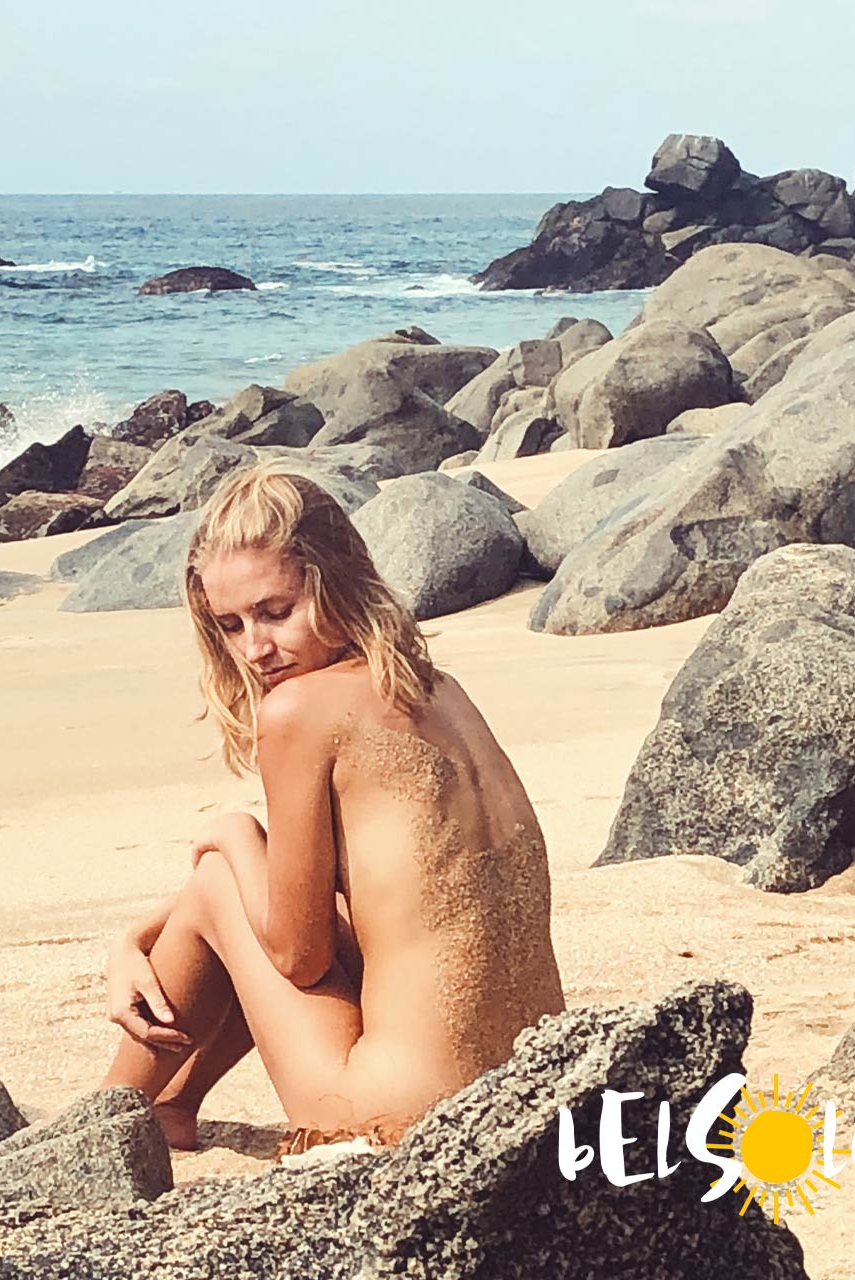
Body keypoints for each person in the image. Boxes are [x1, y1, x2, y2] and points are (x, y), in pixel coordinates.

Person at [101, 462, 564, 1157]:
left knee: (222, 874)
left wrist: (232, 836)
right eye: (230, 625)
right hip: (528, 1089)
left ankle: (102, 1123)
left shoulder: (297, 711)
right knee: (254, 884)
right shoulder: (442, 690)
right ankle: (171, 1107)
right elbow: (337, 902)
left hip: (394, 1113)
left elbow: (298, 953)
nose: (255, 648)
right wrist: (137, 936)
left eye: (276, 612)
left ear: (338, 580)